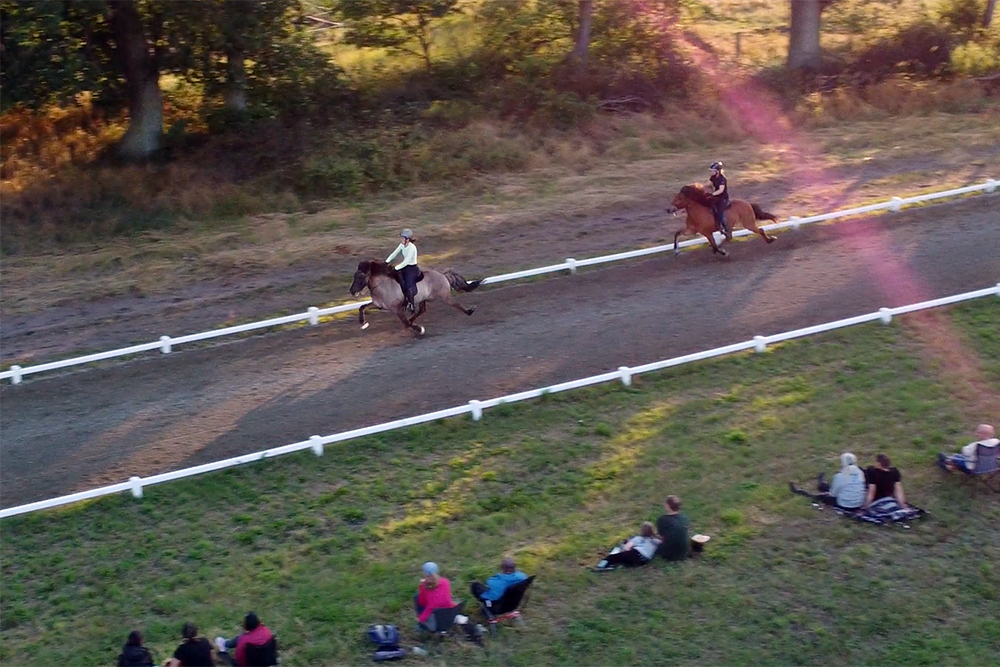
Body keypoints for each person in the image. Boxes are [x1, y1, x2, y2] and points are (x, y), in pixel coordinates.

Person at [789, 452, 867, 510]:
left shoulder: (840, 476)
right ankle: (821, 483)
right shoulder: (860, 473)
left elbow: (833, 494)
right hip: (859, 503)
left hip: (845, 504)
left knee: (821, 496)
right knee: (838, 487)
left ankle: (799, 491)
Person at [595, 522, 662, 570]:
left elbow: (626, 548)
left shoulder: (638, 538)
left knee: (612, 557)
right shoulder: (655, 541)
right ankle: (623, 564)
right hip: (644, 561)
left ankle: (601, 566)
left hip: (636, 553)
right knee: (625, 560)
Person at [414, 562, 456, 632]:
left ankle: (422, 627)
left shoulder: (425, 588)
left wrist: (420, 619)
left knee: (417, 598)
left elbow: (422, 602)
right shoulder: (445, 582)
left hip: (436, 622)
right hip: (449, 613)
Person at [385, 228, 420, 313]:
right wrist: (386, 262)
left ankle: (411, 304)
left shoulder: (412, 248)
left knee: (408, 285)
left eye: (402, 238)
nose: (401, 239)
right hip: (404, 267)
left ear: (407, 239)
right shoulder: (402, 245)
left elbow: (406, 261)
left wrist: (396, 268)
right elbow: (394, 254)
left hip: (411, 268)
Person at [656, 495, 691, 561]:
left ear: (668, 506)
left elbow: (662, 537)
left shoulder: (662, 520)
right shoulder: (684, 518)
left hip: (669, 554)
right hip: (684, 551)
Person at [708, 161, 731, 240]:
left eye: (712, 171)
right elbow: (709, 184)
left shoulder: (722, 179)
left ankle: (726, 229)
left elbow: (721, 190)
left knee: (720, 213)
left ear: (717, 171)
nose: (711, 172)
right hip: (716, 196)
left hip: (722, 198)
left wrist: (712, 194)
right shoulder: (713, 177)